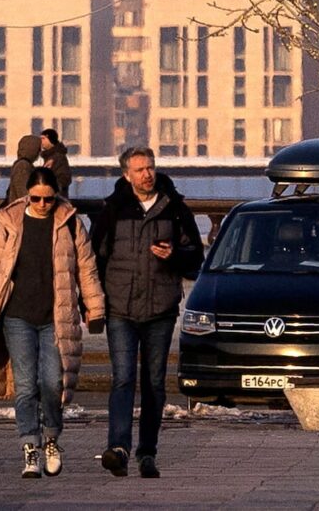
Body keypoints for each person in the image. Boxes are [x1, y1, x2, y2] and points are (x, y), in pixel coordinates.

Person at [0, 168, 107, 479]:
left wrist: (96, 310)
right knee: (25, 387)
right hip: (16, 316)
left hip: (56, 317)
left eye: (48, 199)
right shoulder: (10, 223)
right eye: (36, 198)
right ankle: (30, 448)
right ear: (27, 195)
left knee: (53, 383)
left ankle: (51, 439)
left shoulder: (70, 222)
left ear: (56, 196)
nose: (42, 204)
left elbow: (87, 270)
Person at [90, 146, 203, 479]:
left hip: (160, 309)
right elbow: (95, 258)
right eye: (139, 169)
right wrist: (90, 302)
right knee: (123, 378)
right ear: (126, 174)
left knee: (154, 383)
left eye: (150, 167)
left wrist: (174, 256)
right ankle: (118, 448)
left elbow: (195, 258)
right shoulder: (113, 210)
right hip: (120, 308)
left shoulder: (175, 208)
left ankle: (148, 452)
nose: (147, 174)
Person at [5, 134, 43, 206]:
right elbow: (24, 193)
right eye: (38, 149)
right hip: (22, 211)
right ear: (32, 150)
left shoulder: (23, 165)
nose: (39, 152)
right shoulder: (23, 166)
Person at [39, 128, 72, 196]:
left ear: (51, 139)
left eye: (43, 138)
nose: (41, 141)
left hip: (56, 199)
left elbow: (64, 179)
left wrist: (51, 189)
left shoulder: (58, 158)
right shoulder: (50, 157)